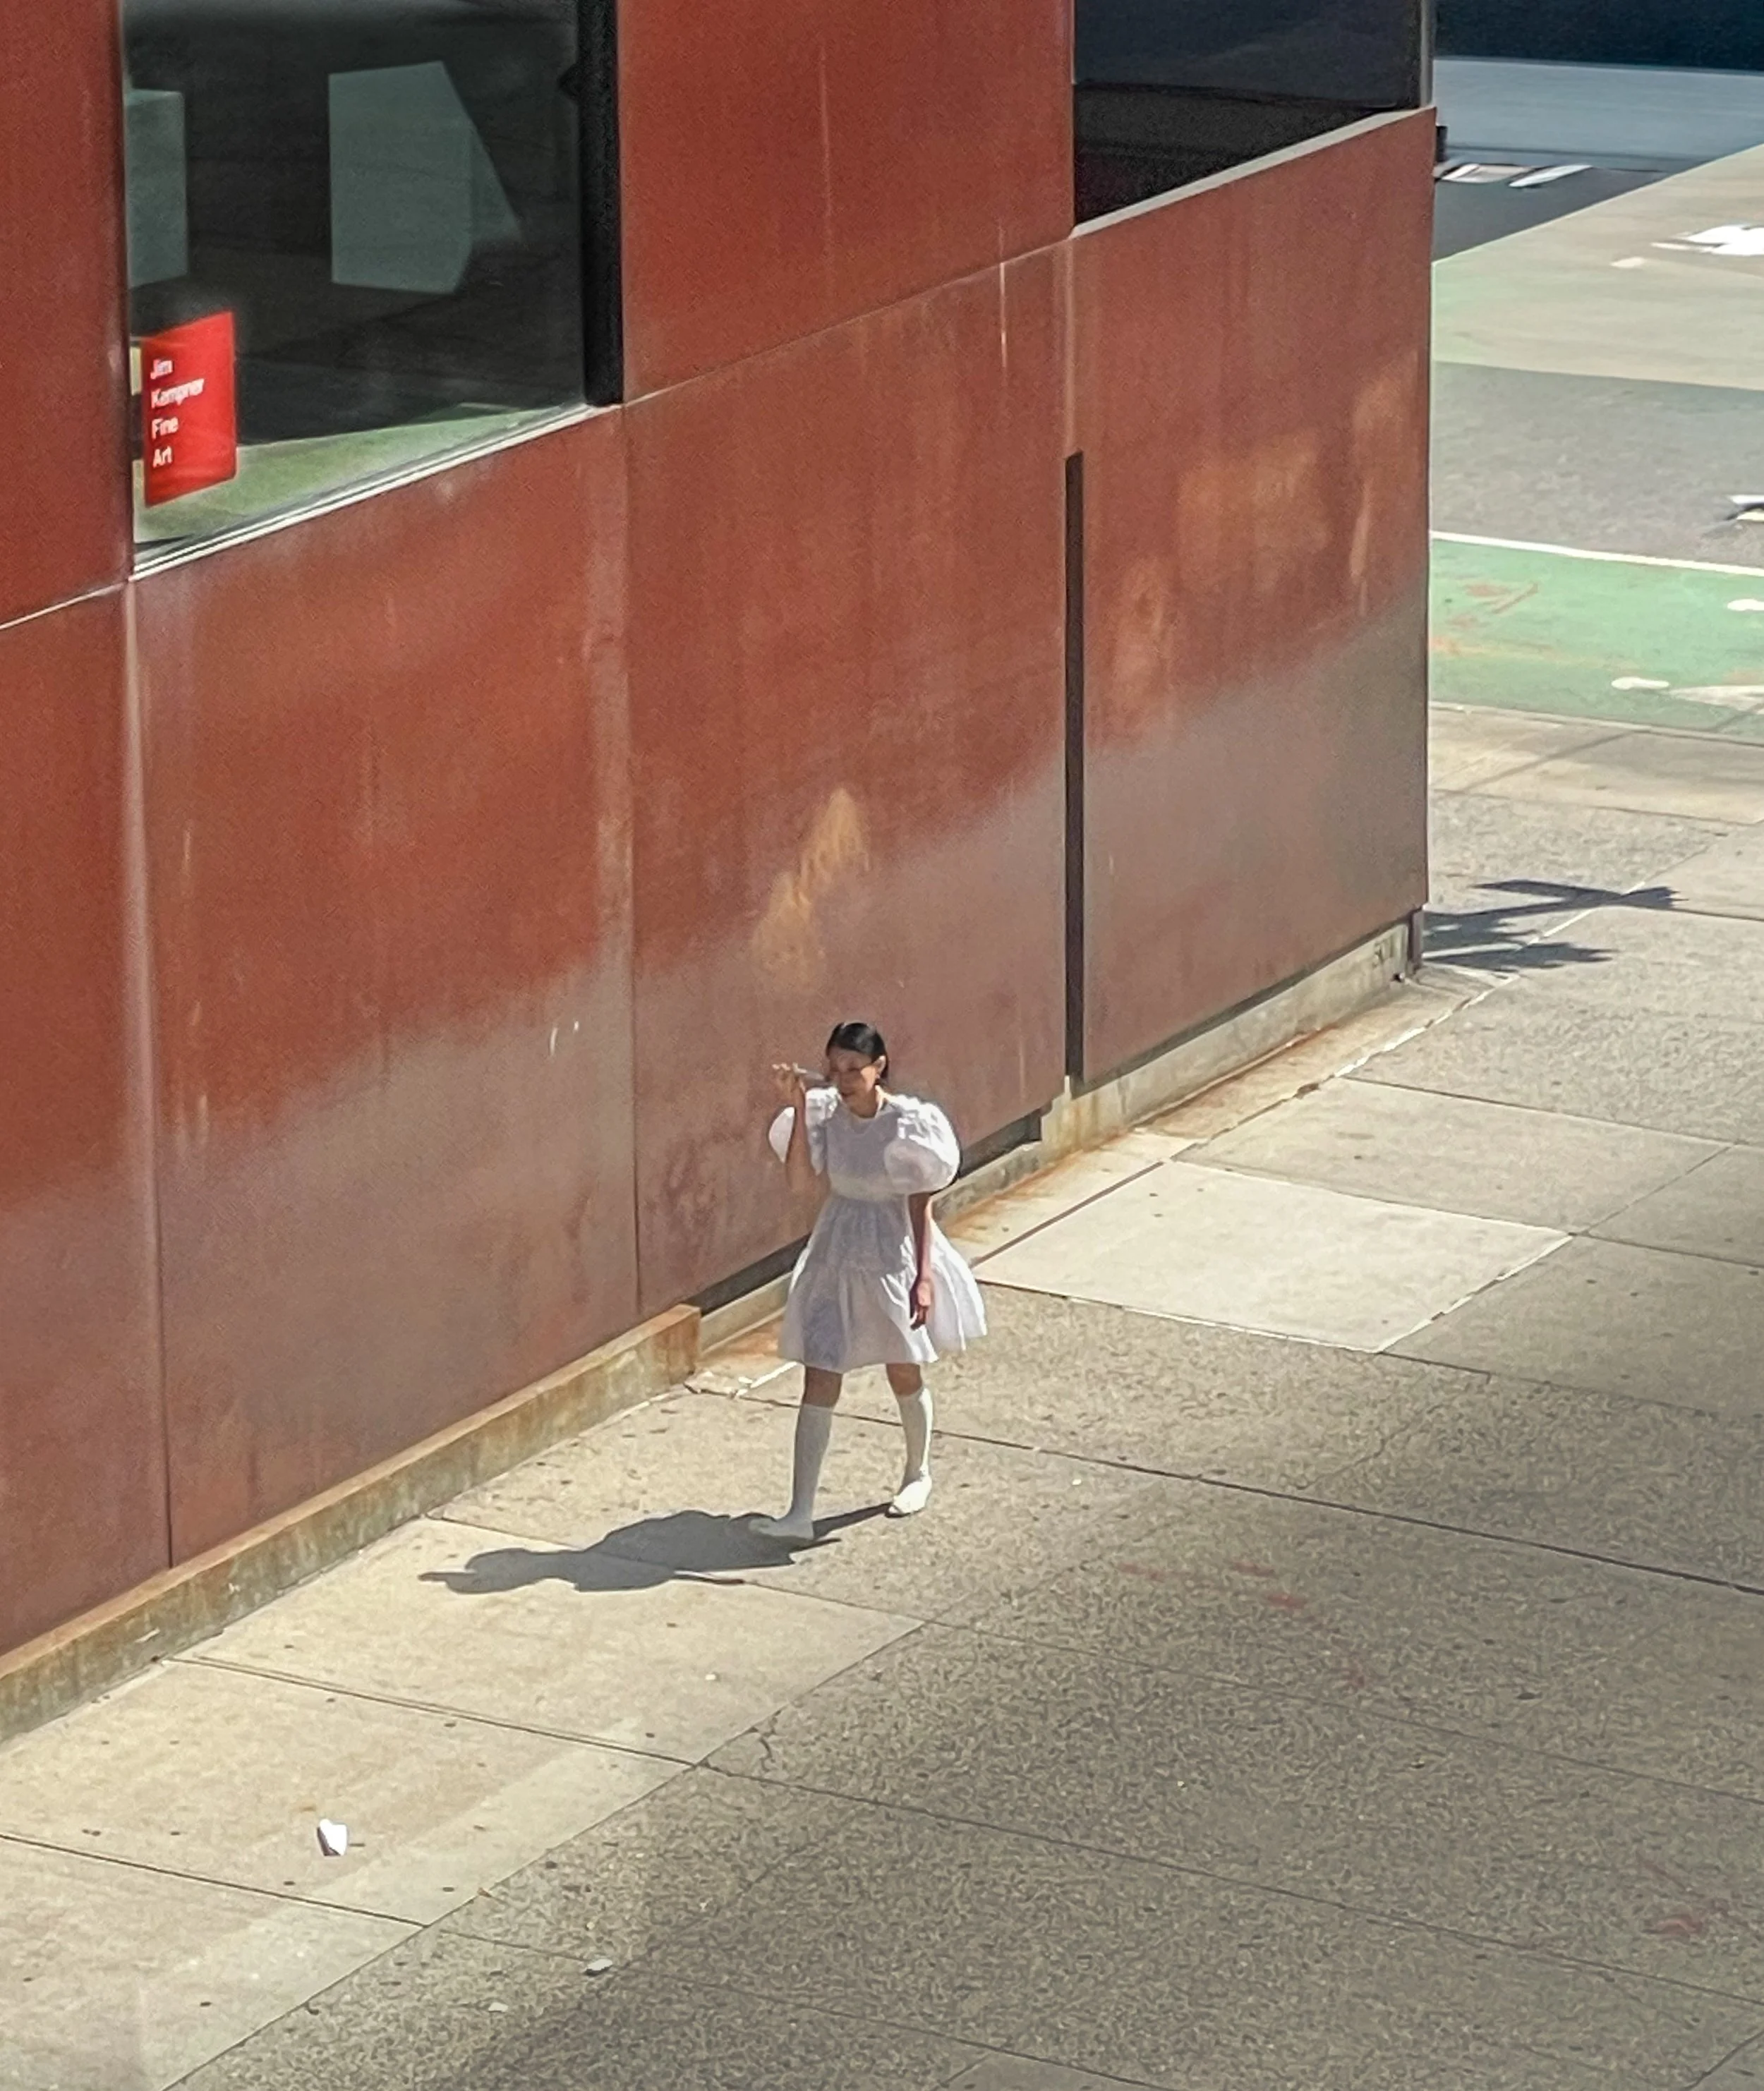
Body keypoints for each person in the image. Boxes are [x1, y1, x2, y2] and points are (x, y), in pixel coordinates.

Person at [751, 1021, 986, 1544]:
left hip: (891, 1247)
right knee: (821, 1371)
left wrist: (923, 1277)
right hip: (838, 1245)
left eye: (853, 1069)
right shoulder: (823, 1115)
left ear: (879, 1067)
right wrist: (795, 1105)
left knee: (903, 1369)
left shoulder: (909, 1123)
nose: (843, 1079)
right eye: (835, 1069)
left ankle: (917, 1472)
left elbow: (922, 1199)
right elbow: (799, 1183)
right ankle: (800, 1511)